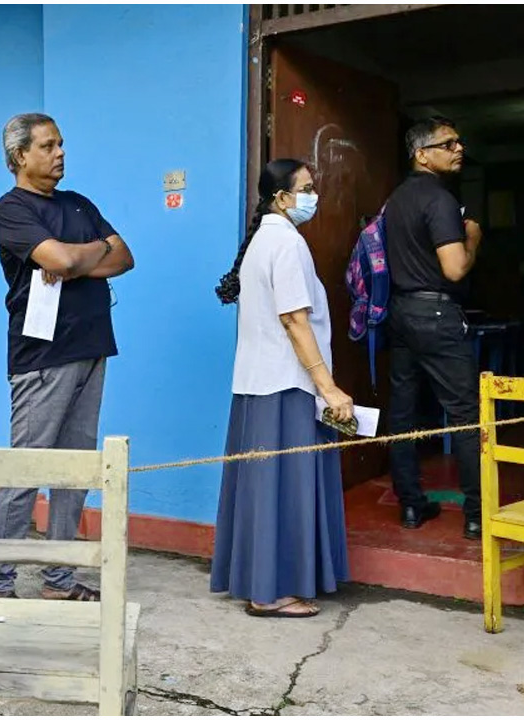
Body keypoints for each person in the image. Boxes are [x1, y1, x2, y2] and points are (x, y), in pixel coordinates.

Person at [0, 113, 135, 600]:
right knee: (26, 469)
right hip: (42, 358)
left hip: (92, 348)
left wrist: (73, 259)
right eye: (48, 146)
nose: (60, 153)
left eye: (61, 144)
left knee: (76, 468)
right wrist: (83, 256)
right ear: (20, 157)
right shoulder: (11, 209)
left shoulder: (79, 203)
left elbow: (124, 257)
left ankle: (59, 579)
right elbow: (66, 260)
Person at [209, 159, 353, 618]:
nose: (314, 196)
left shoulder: (262, 241)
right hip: (286, 384)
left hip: (256, 383)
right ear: (282, 199)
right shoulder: (287, 244)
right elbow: (295, 319)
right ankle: (271, 592)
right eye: (306, 188)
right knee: (284, 488)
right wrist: (328, 388)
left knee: (263, 488)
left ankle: (261, 584)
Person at [384, 116, 484, 540]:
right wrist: (474, 236)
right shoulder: (440, 200)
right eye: (448, 143)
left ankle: (411, 505)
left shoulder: (396, 200)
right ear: (422, 154)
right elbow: (455, 268)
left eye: (459, 141)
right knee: (464, 415)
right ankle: (477, 514)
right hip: (438, 315)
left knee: (403, 414)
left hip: (401, 313)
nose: (458, 148)